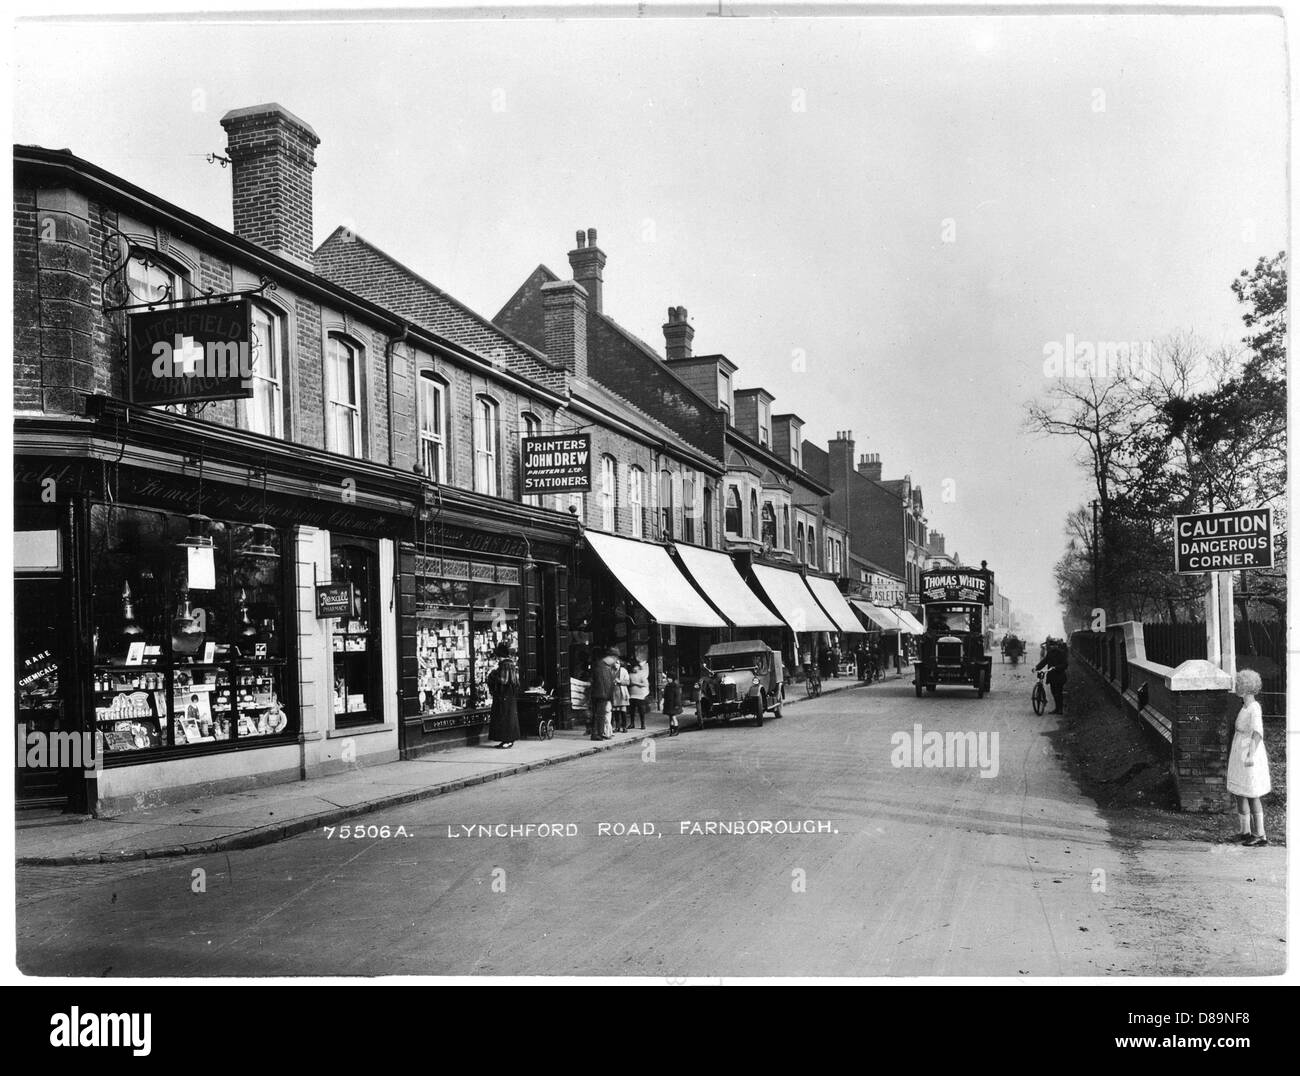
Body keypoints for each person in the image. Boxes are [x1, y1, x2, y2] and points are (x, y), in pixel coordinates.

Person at [1226, 668, 1271, 847]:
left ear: (1246, 688)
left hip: (1249, 752)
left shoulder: (1254, 707)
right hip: (1239, 750)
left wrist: (1250, 754)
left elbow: (1258, 733)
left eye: (1238, 685)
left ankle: (1260, 834)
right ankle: (1245, 832)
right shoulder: (1244, 706)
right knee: (1240, 793)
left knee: (1252, 794)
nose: (1236, 687)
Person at [486, 643, 519, 749]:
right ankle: (507, 739)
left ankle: (507, 740)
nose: (497, 659)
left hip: (504, 695)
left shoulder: (505, 665)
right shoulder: (510, 664)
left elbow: (503, 680)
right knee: (508, 717)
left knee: (505, 717)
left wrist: (492, 674)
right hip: (509, 695)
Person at [589, 647, 618, 741]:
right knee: (599, 715)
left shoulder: (605, 667)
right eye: (615, 659)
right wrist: (607, 695)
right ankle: (597, 733)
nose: (615, 661)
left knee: (600, 715)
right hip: (601, 695)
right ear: (611, 657)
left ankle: (599, 733)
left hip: (602, 695)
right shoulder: (601, 667)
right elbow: (602, 683)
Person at [1034, 638, 1068, 714]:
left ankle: (1060, 709)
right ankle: (1057, 708)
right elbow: (1044, 662)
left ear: (1057, 646)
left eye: (1054, 645)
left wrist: (1056, 667)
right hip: (1052, 676)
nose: (1053, 647)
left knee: (1058, 693)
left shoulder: (1061, 653)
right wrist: (1036, 668)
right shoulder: (1050, 653)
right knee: (1054, 692)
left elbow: (1065, 665)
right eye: (1052, 645)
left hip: (1059, 676)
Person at [627, 659, 650, 731]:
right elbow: (628, 683)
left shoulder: (641, 675)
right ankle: (632, 723)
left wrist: (635, 683)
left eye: (636, 667)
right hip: (632, 694)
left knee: (641, 710)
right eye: (633, 667)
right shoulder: (630, 675)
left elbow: (645, 684)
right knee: (632, 710)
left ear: (638, 667)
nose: (634, 668)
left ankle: (642, 724)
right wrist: (630, 683)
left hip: (640, 695)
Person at [613, 657, 631, 733]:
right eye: (614, 663)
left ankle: (624, 726)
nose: (616, 664)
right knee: (615, 710)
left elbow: (628, 682)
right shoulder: (611, 671)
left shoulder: (623, 671)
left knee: (623, 710)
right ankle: (617, 727)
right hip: (614, 692)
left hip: (622, 692)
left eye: (617, 663)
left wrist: (620, 681)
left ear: (620, 664)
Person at [662, 670, 682, 736]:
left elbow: (677, 697)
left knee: (673, 717)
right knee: (670, 717)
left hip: (673, 704)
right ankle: (671, 730)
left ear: (672, 678)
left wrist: (676, 705)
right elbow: (665, 695)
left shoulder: (675, 686)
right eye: (667, 678)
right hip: (668, 704)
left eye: (669, 678)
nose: (667, 679)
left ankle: (676, 730)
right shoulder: (667, 686)